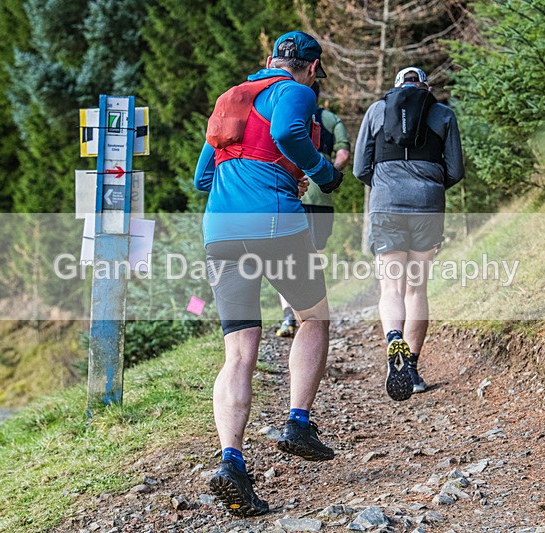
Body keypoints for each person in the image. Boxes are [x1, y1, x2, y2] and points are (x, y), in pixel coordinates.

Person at [194, 30, 343, 516]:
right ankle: (297, 422)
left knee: (238, 352)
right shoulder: (295, 91)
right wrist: (322, 173)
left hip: (220, 230)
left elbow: (202, 177)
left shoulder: (230, 98)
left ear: (270, 57)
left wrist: (259, 171)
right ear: (312, 68)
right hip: (275, 222)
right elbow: (287, 135)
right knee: (313, 317)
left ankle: (231, 462)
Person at [353, 67, 464, 401]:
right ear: (426, 88)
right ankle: (412, 369)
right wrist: (430, 186)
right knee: (416, 289)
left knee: (391, 286)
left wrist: (385, 186)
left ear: (396, 88)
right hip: (427, 205)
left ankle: (393, 339)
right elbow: (455, 170)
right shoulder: (443, 114)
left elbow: (360, 168)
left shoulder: (377, 110)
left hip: (386, 204)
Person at [276, 81, 351, 338]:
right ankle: (311, 313)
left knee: (285, 256)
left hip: (290, 192)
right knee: (314, 256)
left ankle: (288, 314)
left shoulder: (283, 112)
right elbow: (343, 154)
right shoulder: (329, 119)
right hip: (320, 197)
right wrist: (328, 173)